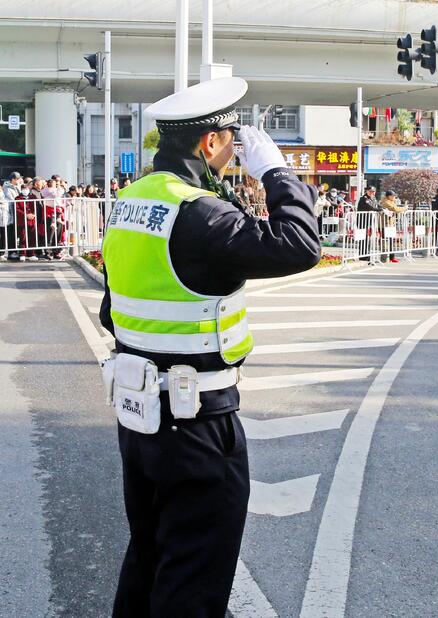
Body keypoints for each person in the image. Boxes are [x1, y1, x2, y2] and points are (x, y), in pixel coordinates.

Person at [99, 77, 320, 617]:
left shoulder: (130, 201)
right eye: (231, 139)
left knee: (148, 555)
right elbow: (300, 244)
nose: (233, 149)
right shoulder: (199, 212)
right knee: (194, 575)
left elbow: (112, 310)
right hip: (197, 422)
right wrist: (276, 172)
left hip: (139, 417)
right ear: (211, 142)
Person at [380, 189, 407, 262]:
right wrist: (404, 208)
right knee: (385, 241)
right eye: (393, 196)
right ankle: (385, 257)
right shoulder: (385, 202)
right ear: (389, 196)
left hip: (391, 224)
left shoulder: (391, 201)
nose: (394, 197)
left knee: (391, 241)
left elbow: (396, 208)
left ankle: (392, 257)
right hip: (385, 224)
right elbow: (395, 209)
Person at [1, 171, 23, 260]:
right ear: (13, 179)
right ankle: (10, 252)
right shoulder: (7, 188)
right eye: (18, 179)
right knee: (10, 234)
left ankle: (14, 251)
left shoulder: (17, 186)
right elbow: (12, 199)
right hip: (10, 214)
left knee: (15, 233)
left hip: (16, 214)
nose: (19, 180)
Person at [356, 185, 380, 262]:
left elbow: (377, 205)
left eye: (373, 191)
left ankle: (367, 254)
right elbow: (370, 207)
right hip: (362, 220)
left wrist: (382, 208)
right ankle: (363, 256)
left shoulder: (374, 198)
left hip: (369, 221)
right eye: (370, 191)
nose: (372, 193)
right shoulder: (364, 198)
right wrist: (380, 210)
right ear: (366, 191)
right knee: (363, 238)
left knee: (368, 238)